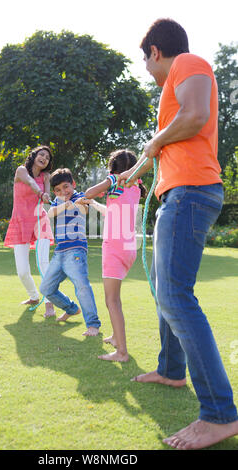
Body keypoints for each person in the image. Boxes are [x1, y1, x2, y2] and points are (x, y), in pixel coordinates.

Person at [118, 18, 238, 450]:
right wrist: (131, 173)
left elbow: (195, 116)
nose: (147, 72)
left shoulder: (189, 62)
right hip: (178, 193)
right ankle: (171, 370)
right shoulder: (172, 92)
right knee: (166, 290)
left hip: (190, 193)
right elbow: (163, 144)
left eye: (145, 61)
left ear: (155, 51)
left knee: (175, 295)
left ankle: (220, 414)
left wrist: (156, 140)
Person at [84, 150, 145, 362]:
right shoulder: (135, 188)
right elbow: (112, 212)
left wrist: (110, 179)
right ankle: (114, 336)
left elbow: (89, 192)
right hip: (129, 248)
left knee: (112, 301)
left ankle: (122, 352)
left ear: (114, 168)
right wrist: (95, 205)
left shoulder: (115, 183)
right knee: (114, 299)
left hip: (114, 248)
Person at [39, 168, 101, 336]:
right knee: (46, 288)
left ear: (73, 184)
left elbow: (84, 209)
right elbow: (50, 214)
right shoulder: (58, 202)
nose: (63, 192)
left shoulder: (79, 197)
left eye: (66, 187)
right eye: (58, 190)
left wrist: (72, 203)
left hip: (76, 250)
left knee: (81, 285)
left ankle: (93, 325)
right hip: (59, 252)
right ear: (54, 192)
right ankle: (72, 309)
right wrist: (64, 204)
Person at [4, 146, 56, 318]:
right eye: (41, 154)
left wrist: (46, 196)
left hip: (39, 221)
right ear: (34, 156)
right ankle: (34, 296)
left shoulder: (46, 176)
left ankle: (50, 304)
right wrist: (41, 193)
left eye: (47, 157)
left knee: (43, 264)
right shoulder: (21, 171)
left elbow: (47, 191)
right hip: (20, 222)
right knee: (23, 271)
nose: (44, 158)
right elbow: (31, 183)